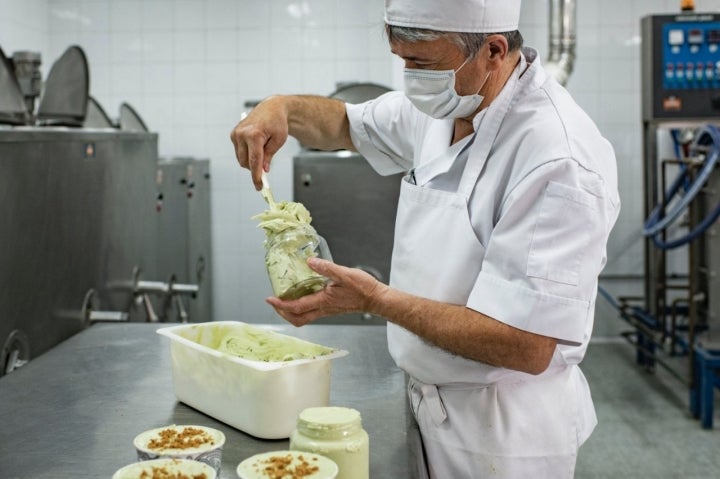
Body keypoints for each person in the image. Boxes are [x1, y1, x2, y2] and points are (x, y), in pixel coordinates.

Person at [230, 0, 620, 477]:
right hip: (423, 404)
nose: (411, 78)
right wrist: (280, 109)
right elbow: (343, 123)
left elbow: (526, 344)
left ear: (493, 51)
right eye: (402, 60)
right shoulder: (447, 102)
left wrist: (376, 300)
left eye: (422, 63)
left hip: (500, 435)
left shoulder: (558, 159)